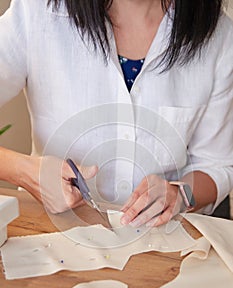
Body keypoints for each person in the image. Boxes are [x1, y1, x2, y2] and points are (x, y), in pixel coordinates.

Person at [0, 0, 232, 227]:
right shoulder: (38, 11)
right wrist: (22, 171)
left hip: (160, 245)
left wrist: (180, 195)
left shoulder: (220, 36)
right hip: (47, 231)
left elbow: (217, 165)